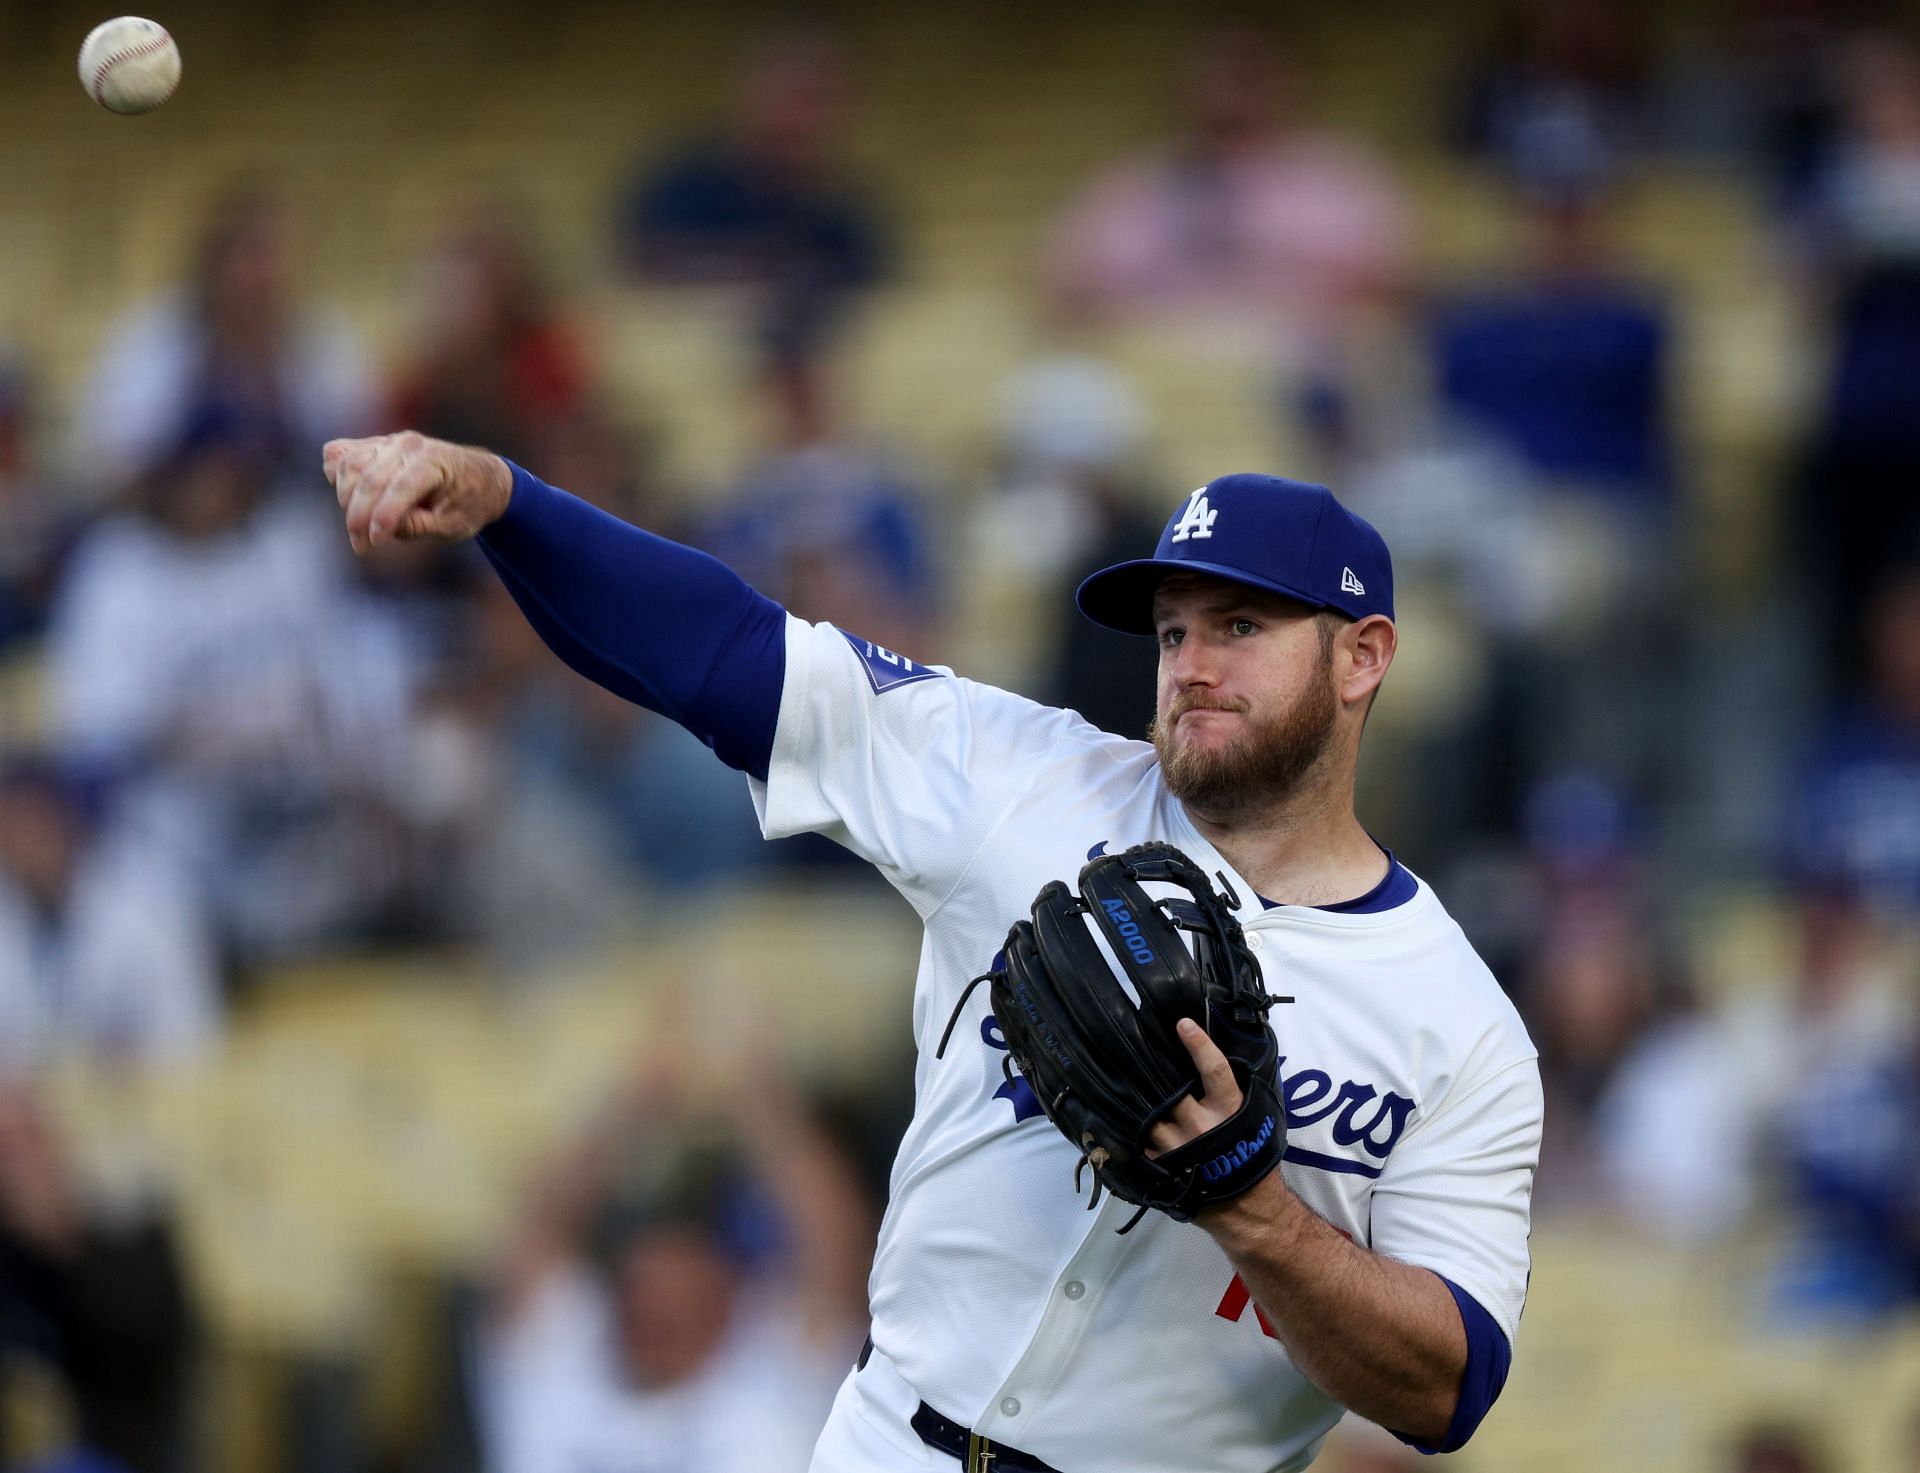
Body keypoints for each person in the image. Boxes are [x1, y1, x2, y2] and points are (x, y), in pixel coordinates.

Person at [324, 431, 1542, 1471]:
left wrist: (1254, 1209)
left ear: (1363, 657)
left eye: (1240, 625)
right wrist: (505, 501)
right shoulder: (1025, 780)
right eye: (1172, 633)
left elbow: (1450, 1386)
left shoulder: (1458, 1026)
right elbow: (729, 655)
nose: (1192, 669)